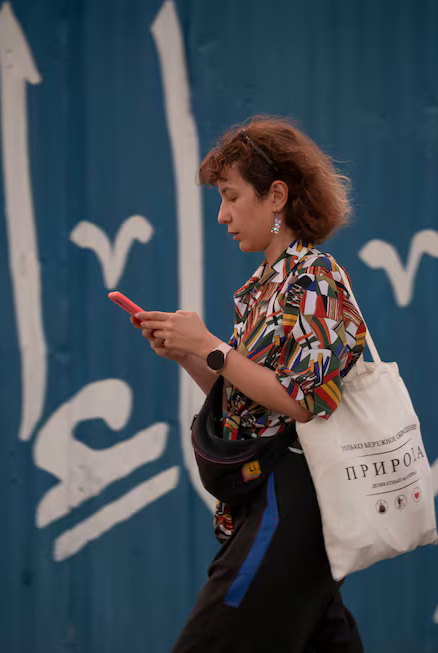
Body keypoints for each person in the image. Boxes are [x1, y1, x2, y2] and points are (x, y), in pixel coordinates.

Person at [134, 116, 366, 652]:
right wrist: (190, 354)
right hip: (268, 502)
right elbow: (250, 404)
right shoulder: (264, 287)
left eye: (232, 197)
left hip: (292, 501)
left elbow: (304, 402)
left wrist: (213, 346)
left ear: (276, 195)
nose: (223, 216)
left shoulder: (314, 276)